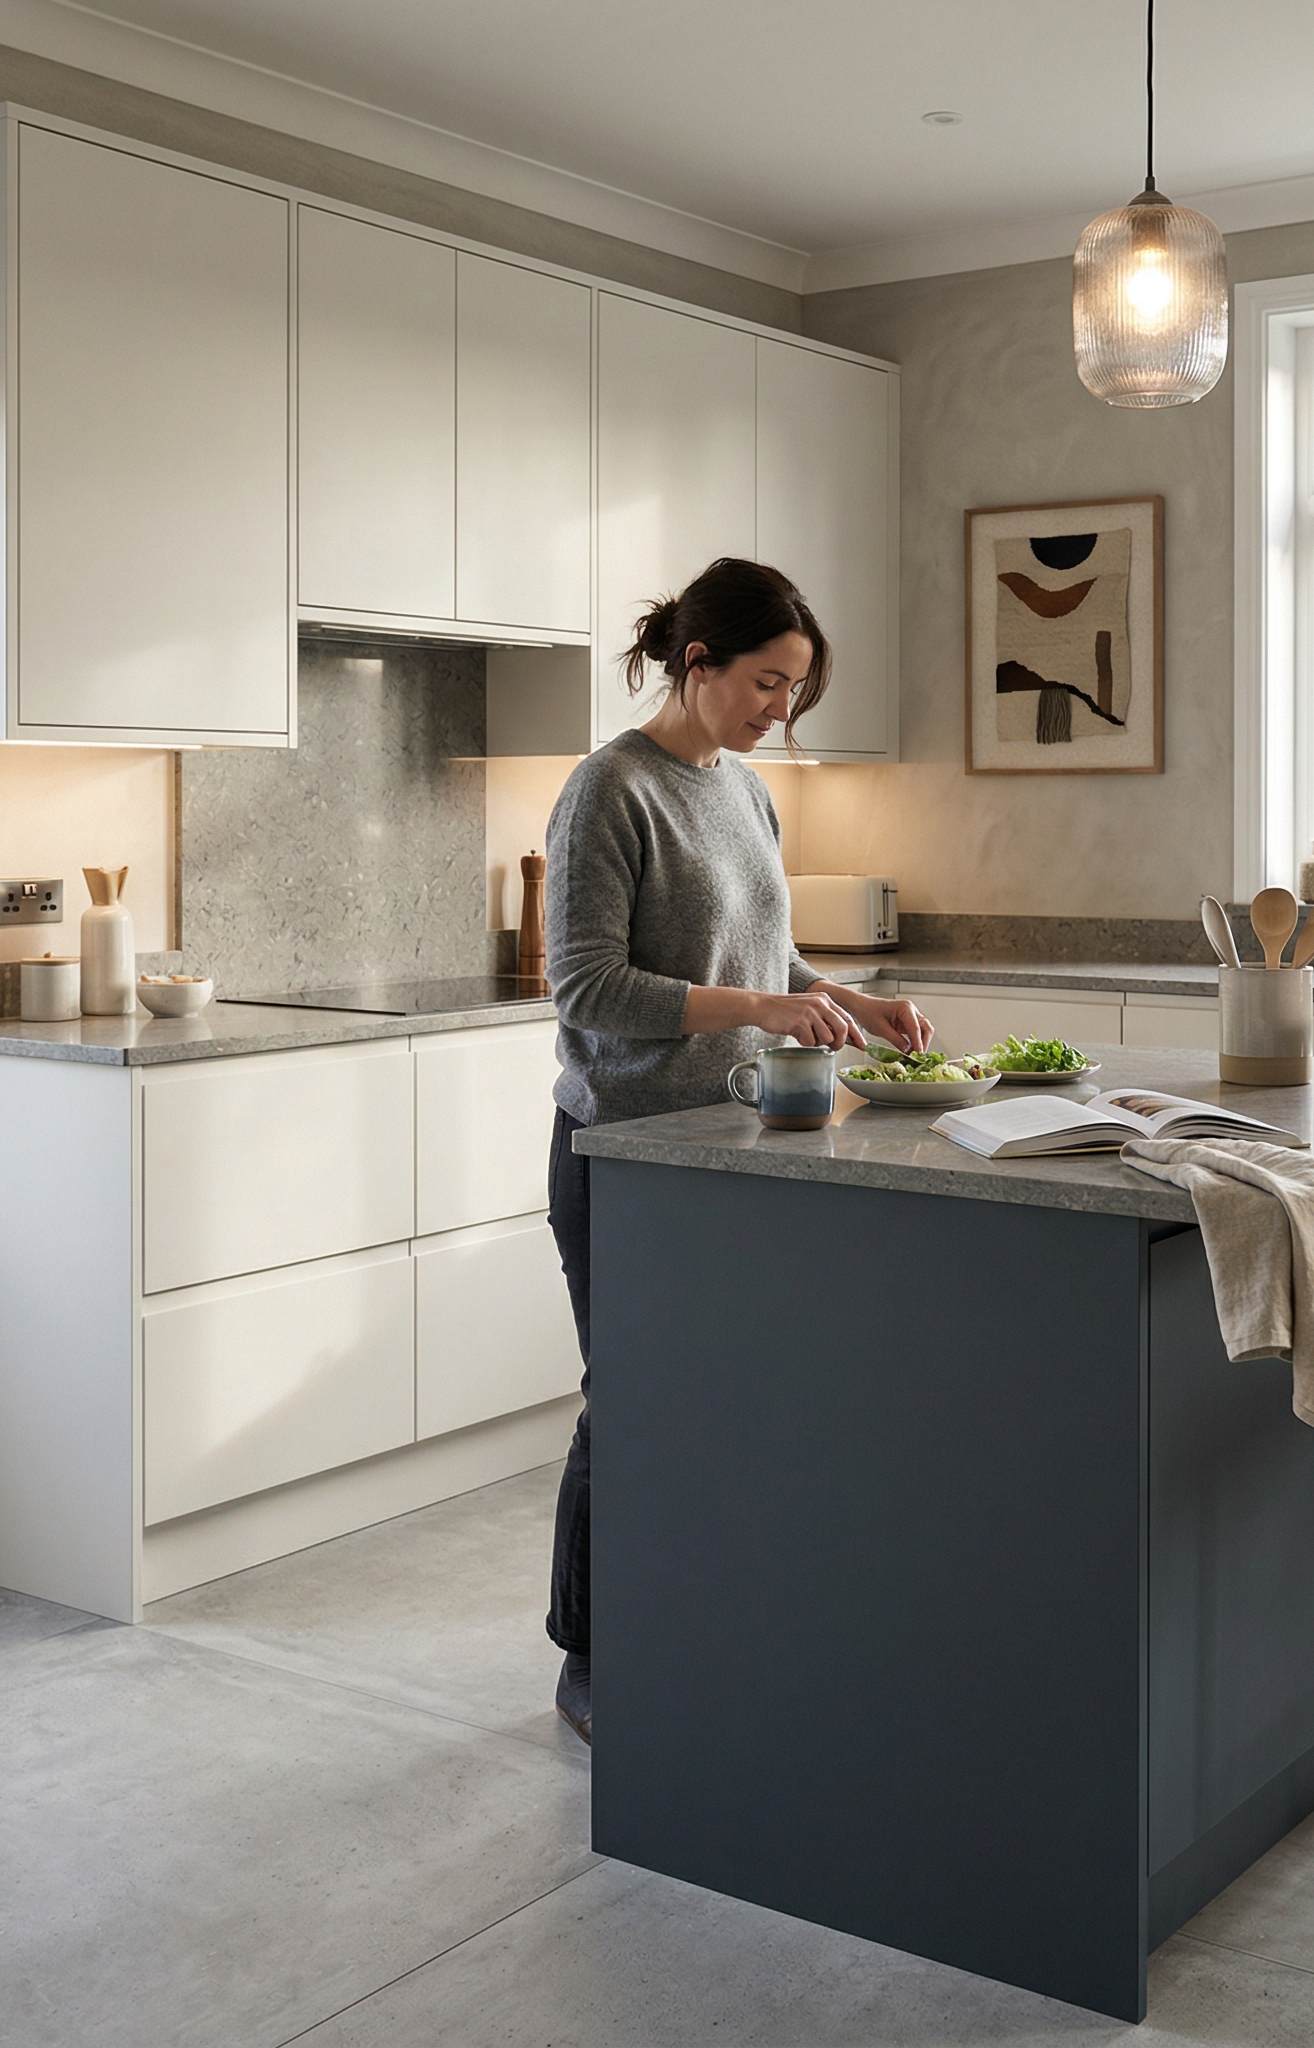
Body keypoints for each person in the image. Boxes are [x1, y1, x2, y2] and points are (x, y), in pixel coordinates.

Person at [540, 557, 931, 1744]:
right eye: (766, 683)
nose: (781, 711)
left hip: (734, 1141)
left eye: (795, 690)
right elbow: (586, 984)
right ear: (695, 661)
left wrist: (843, 997)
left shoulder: (745, 792)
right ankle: (590, 1656)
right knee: (630, 1406)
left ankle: (699, 1624)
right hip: (624, 1151)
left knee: (725, 1408)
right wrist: (760, 1010)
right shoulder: (609, 789)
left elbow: (763, 961)